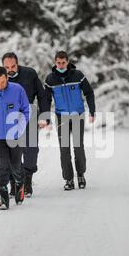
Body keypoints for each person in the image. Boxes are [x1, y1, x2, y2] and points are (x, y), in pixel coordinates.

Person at [0, 52, 50, 198]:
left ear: (18, 64)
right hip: (8, 118)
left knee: (31, 149)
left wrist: (44, 117)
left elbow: (42, 95)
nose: (10, 69)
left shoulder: (30, 74)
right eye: (6, 67)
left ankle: (27, 180)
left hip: (29, 113)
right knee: (11, 151)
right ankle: (14, 183)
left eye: (13, 66)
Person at [44, 51, 96, 191]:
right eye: (58, 63)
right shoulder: (50, 79)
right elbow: (46, 100)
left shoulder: (77, 75)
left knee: (78, 147)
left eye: (63, 62)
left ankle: (80, 174)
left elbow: (89, 92)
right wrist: (46, 117)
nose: (61, 65)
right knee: (64, 148)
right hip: (61, 116)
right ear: (55, 63)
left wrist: (92, 110)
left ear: (67, 62)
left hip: (77, 115)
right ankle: (68, 179)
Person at [0, 67, 30, 210]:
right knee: (2, 164)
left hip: (15, 134)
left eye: (3, 82)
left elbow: (26, 110)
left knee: (15, 164)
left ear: (7, 78)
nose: (0, 85)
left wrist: (21, 127)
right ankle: (3, 197)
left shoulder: (17, 90)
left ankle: (20, 183)